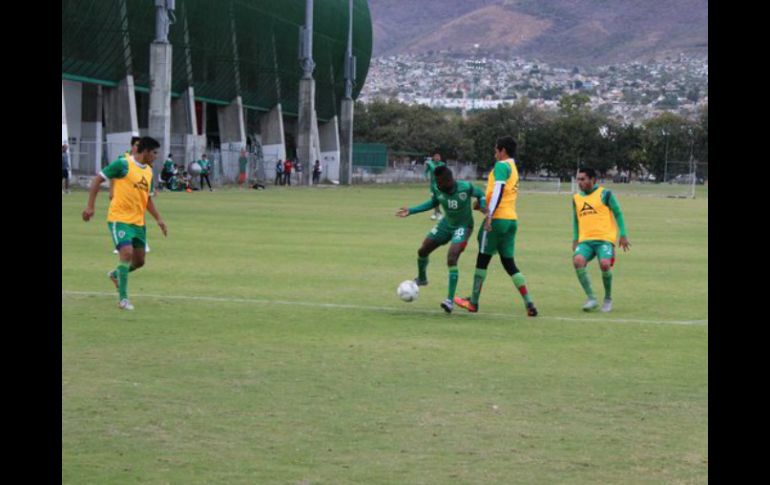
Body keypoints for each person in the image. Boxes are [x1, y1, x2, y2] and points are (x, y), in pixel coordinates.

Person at [454, 136, 538, 317]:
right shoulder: (513, 168)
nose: (495, 154)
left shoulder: (501, 166)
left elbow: (499, 190)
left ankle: (473, 302)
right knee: (509, 263)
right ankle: (529, 302)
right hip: (510, 221)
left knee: (482, 260)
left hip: (497, 219)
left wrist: (489, 215)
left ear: (503, 151)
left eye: (496, 150)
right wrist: (483, 207)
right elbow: (502, 194)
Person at [81, 136, 168, 311]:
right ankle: (123, 299)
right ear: (145, 151)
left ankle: (115, 274)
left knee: (139, 261)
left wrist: (159, 219)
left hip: (138, 222)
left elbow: (147, 200)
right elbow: (98, 179)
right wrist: (90, 206)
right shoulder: (123, 164)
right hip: (119, 219)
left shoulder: (149, 172)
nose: (156, 156)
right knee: (126, 253)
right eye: (154, 152)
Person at [397, 165, 486, 313]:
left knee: (452, 257)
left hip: (463, 227)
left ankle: (449, 300)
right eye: (436, 182)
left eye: (440, 182)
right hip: (446, 223)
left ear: (449, 180)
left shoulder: (465, 188)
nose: (437, 185)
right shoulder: (437, 188)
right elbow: (433, 202)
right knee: (423, 250)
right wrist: (411, 211)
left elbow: (480, 193)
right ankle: (422, 278)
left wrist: (482, 205)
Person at [571, 167, 631, 312]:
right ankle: (591, 298)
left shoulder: (605, 194)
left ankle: (608, 299)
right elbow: (576, 220)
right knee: (577, 261)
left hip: (604, 239)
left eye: (583, 179)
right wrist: (575, 238)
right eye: (578, 179)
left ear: (592, 180)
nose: (579, 182)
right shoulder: (576, 198)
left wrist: (623, 234)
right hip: (585, 240)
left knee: (604, 264)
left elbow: (618, 213)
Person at [425, 151, 447, 220]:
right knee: (433, 199)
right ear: (433, 157)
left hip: (440, 185)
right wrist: (426, 177)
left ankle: (438, 213)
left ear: (440, 158)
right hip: (432, 185)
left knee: (439, 199)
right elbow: (426, 171)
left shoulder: (442, 164)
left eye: (438, 156)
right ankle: (436, 213)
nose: (437, 158)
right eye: (436, 156)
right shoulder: (430, 164)